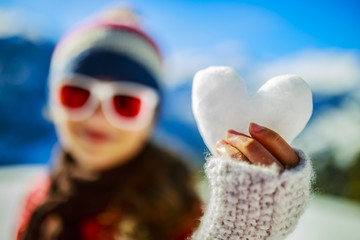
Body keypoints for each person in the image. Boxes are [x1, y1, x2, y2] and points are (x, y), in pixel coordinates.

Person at [16, 8, 312, 240]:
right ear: (52, 102)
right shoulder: (41, 197)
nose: (98, 115)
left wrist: (240, 229)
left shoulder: (179, 213)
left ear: (152, 117)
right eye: (76, 94)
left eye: (125, 102)